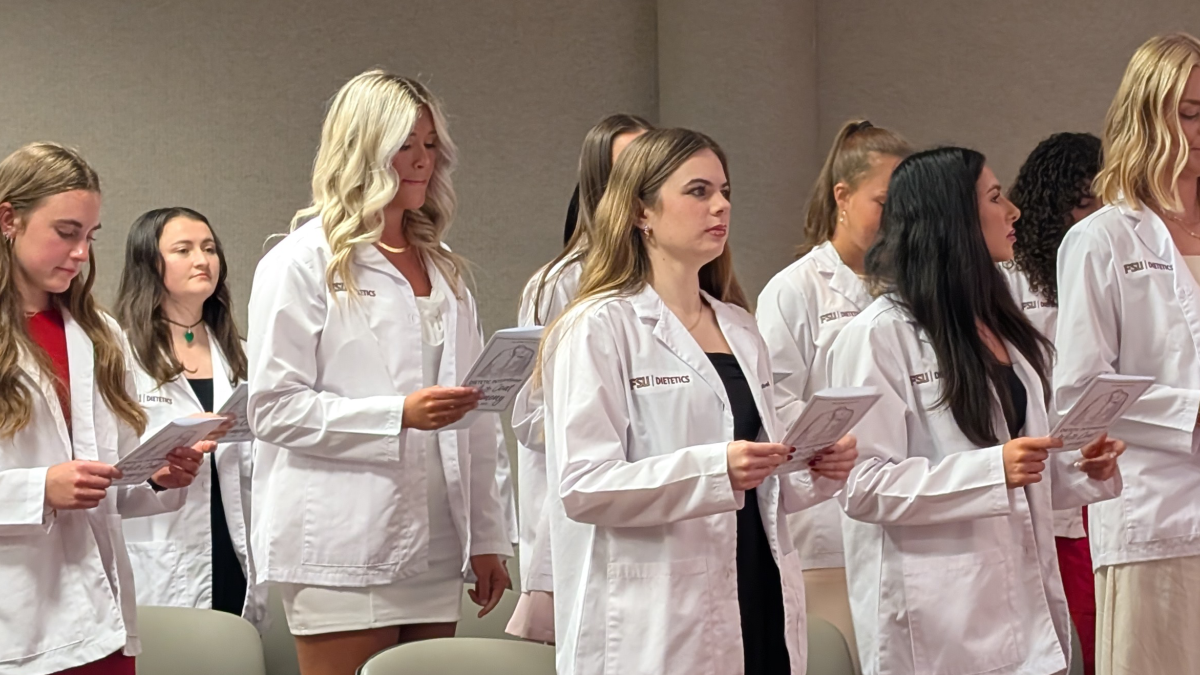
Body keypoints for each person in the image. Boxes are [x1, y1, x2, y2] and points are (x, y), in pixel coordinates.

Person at [540, 127, 858, 675]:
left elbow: (762, 480)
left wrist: (816, 466)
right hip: (659, 614)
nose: (721, 205)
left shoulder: (738, 324)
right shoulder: (598, 326)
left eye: (725, 191)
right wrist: (715, 470)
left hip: (755, 585)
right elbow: (583, 486)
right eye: (698, 191)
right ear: (642, 211)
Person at [246, 70, 512, 675]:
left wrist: (488, 535)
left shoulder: (444, 272)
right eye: (404, 145)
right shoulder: (300, 262)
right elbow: (272, 407)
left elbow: (475, 420)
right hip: (341, 538)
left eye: (429, 144)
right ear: (362, 149)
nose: (422, 161)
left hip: (439, 538)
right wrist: (398, 415)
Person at [828, 146, 1124, 675]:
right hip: (938, 623)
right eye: (994, 197)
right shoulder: (878, 336)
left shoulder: (998, 325)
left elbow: (1024, 469)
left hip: (1021, 606)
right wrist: (992, 470)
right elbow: (861, 486)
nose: (1012, 211)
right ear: (953, 220)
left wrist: (1084, 470)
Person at [0, 142, 205, 675]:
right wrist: (38, 488)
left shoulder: (97, 333)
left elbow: (105, 483)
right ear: (8, 220)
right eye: (66, 233)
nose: (81, 254)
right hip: (16, 622)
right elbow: (55, 484)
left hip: (102, 621)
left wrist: (155, 477)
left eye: (89, 237)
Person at [1054, 32, 1200, 675]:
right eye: (1190, 111)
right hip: (1156, 519)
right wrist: (1193, 416)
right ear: (1148, 115)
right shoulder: (1101, 239)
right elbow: (1084, 391)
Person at [756, 119, 911, 670]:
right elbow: (774, 402)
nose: (896, 219)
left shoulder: (906, 287)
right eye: (883, 202)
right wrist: (840, 438)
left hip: (900, 512)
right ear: (842, 197)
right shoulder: (795, 289)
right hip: (825, 528)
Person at [506, 113, 652, 643]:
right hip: (584, 511)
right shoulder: (563, 282)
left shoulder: (674, 275)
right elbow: (530, 415)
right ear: (599, 184)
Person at [114, 207, 267, 630]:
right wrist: (154, 475)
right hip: (163, 546)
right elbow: (107, 458)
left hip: (236, 543)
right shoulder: (118, 357)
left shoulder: (248, 355)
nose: (203, 260)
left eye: (210, 248)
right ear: (149, 264)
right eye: (183, 250)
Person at [1003, 131, 1104, 674]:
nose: (1093, 216)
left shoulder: (1108, 262)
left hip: (1108, 467)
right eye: (1083, 203)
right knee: (1076, 634)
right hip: (1053, 477)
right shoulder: (1012, 281)